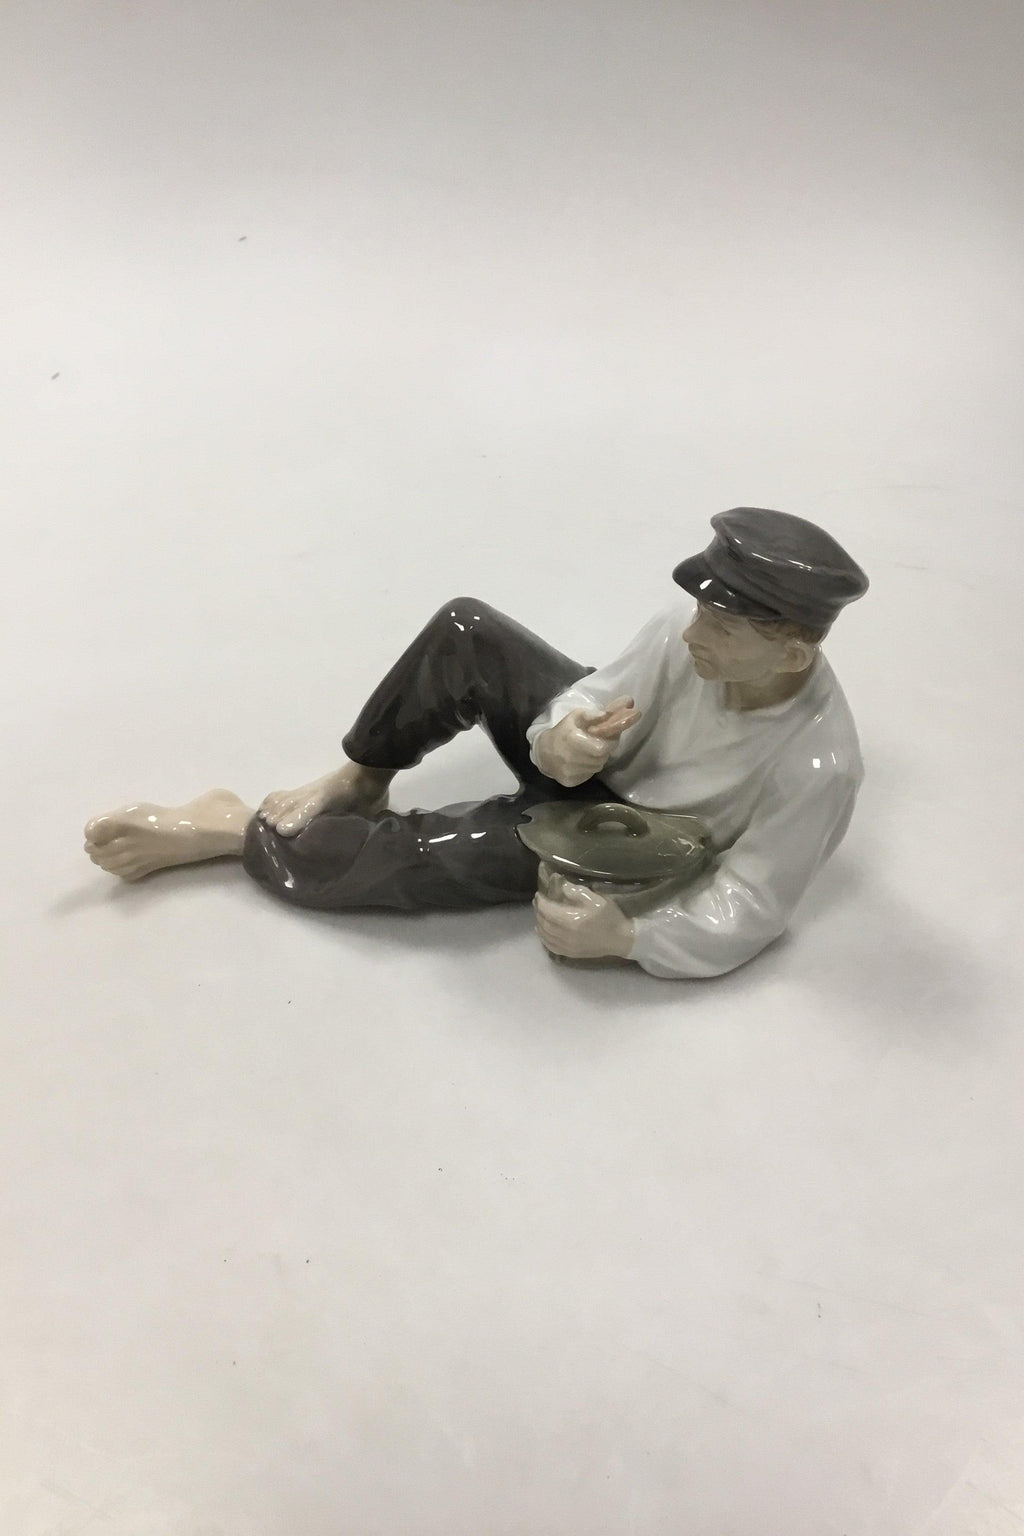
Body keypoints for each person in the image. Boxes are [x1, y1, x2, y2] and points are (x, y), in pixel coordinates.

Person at [84, 507, 868, 979]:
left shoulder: (817, 765)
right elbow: (596, 692)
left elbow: (754, 902)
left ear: (791, 654)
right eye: (701, 613)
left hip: (630, 838)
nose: (695, 633)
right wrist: (563, 736)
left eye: (724, 628)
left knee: (430, 857)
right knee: (467, 631)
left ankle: (235, 828)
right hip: (598, 767)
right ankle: (362, 774)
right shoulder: (680, 639)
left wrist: (631, 936)